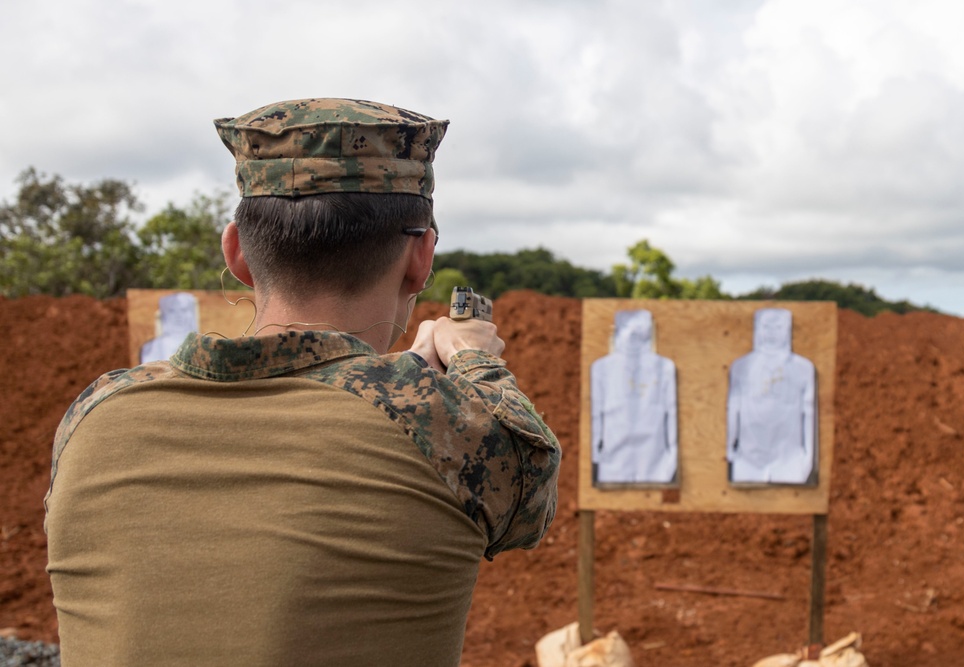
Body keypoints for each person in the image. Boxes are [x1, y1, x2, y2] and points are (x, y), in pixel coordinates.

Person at [44, 98, 561, 667]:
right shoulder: (453, 427)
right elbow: (529, 487)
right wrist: (470, 360)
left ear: (236, 252)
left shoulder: (93, 417)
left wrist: (404, 390)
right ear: (421, 258)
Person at [726, 307, 816, 484]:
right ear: (758, 328)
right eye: (766, 327)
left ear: (787, 329)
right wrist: (729, 445)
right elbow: (733, 409)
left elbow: (809, 414)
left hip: (789, 460)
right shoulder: (741, 366)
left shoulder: (803, 368)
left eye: (778, 327)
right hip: (748, 461)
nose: (771, 333)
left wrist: (809, 456)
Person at [590, 309, 678, 485]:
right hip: (619, 464)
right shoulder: (600, 368)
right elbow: (595, 415)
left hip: (653, 463)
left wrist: (671, 458)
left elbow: (672, 414)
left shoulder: (665, 367)